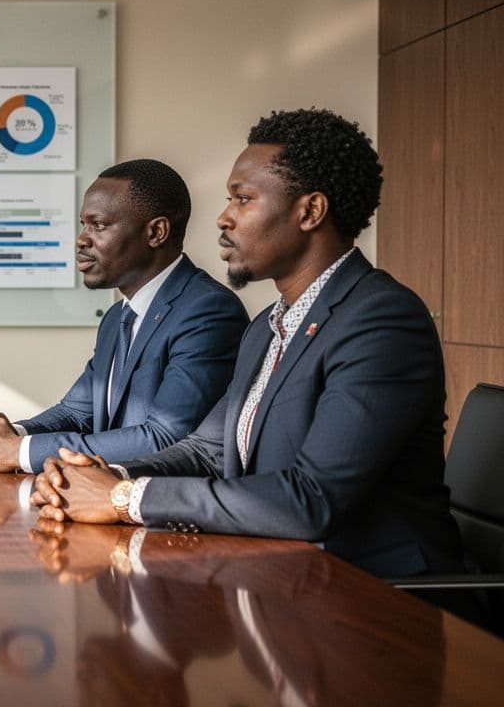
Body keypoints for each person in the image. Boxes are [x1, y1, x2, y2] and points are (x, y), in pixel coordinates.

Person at [33, 108, 465, 578]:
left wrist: (122, 499)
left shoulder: (381, 321)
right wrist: (103, 478)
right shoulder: (267, 327)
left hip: (377, 602)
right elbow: (206, 452)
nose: (223, 217)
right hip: (282, 583)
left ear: (310, 212)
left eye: (243, 199)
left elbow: (310, 499)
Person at [0, 159, 248, 472]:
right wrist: (6, 436)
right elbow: (77, 413)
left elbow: (164, 438)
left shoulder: (208, 311)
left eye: (99, 225)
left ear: (156, 232)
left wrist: (17, 452)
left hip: (162, 513)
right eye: (83, 225)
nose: (82, 239)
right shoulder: (117, 317)